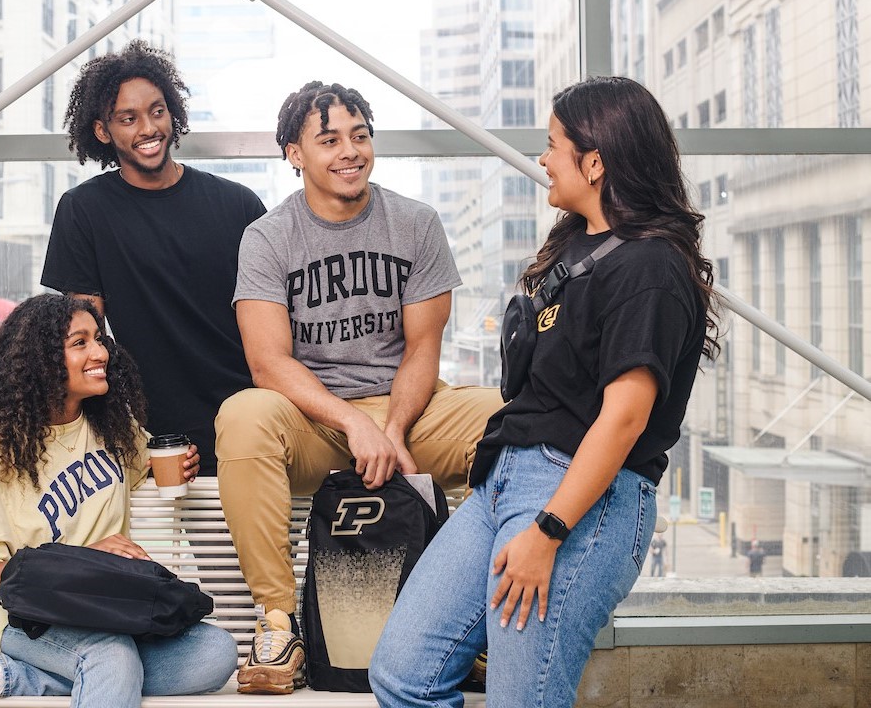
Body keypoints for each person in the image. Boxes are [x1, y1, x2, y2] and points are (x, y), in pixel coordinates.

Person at [370, 76, 720, 708]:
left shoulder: (651, 268)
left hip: (578, 500)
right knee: (403, 674)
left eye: (554, 144)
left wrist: (548, 530)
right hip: (505, 483)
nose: (543, 158)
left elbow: (624, 419)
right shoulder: (578, 245)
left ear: (596, 161)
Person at [215, 81, 503, 695]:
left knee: (503, 418)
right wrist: (352, 423)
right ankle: (278, 622)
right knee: (243, 415)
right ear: (295, 153)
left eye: (360, 135)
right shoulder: (267, 237)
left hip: (407, 414)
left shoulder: (415, 223)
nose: (349, 151)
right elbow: (268, 363)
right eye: (329, 140)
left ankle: (469, 624)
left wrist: (391, 428)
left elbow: (422, 349)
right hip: (315, 421)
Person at [0, 294, 237, 708]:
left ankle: (13, 677)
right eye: (80, 343)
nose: (100, 353)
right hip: (3, 613)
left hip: (96, 606)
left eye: (99, 339)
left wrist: (175, 464)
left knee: (213, 652)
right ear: (40, 361)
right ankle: (77, 670)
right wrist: (87, 558)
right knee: (110, 655)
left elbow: (147, 462)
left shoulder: (111, 429)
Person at [41, 40, 266, 476]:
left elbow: (275, 328)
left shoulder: (238, 205)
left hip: (249, 419)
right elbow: (85, 334)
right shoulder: (84, 211)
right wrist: (116, 435)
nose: (148, 128)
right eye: (128, 118)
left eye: (157, 111)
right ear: (103, 131)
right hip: (150, 434)